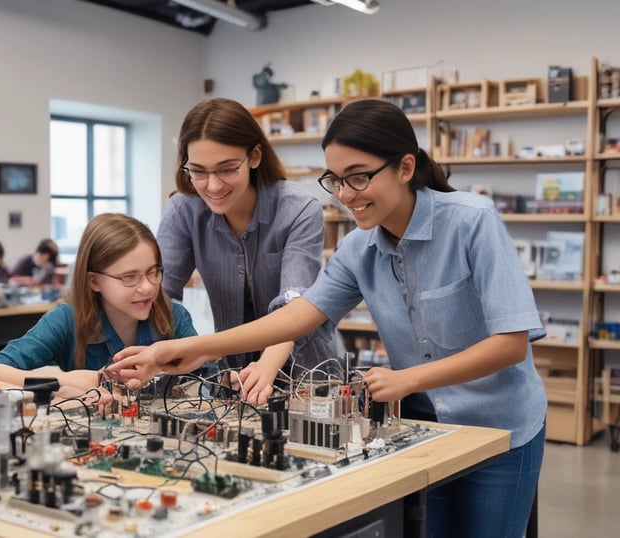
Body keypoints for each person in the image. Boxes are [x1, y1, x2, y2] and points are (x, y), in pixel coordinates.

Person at [108, 99, 546, 538]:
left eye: (359, 177)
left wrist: (408, 379)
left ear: (406, 167)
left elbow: (510, 345)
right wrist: (185, 348)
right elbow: (298, 316)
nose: (346, 194)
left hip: (503, 426)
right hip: (430, 427)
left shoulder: (473, 222)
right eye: (336, 180)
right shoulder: (359, 248)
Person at [156, 97, 342, 406]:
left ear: (254, 156)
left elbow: (294, 309)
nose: (212, 186)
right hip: (230, 379)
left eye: (227, 169)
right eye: (198, 171)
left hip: (307, 377)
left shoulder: (298, 210)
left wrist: (266, 366)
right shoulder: (183, 209)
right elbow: (159, 296)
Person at [0, 213, 198, 402]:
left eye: (153, 272)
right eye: (129, 277)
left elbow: (208, 383)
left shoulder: (174, 317)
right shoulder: (66, 320)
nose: (148, 287)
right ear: (93, 281)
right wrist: (69, 382)